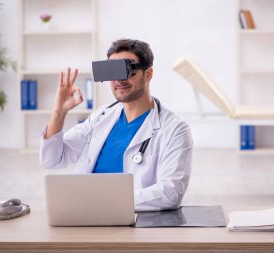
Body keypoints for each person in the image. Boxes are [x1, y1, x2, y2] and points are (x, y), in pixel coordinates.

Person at [39, 39, 193, 211]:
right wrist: (59, 112)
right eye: (113, 71)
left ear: (148, 74)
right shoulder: (100, 117)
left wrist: (106, 201)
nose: (120, 79)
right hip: (84, 215)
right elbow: (51, 160)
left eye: (128, 70)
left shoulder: (174, 129)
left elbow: (170, 194)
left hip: (135, 222)